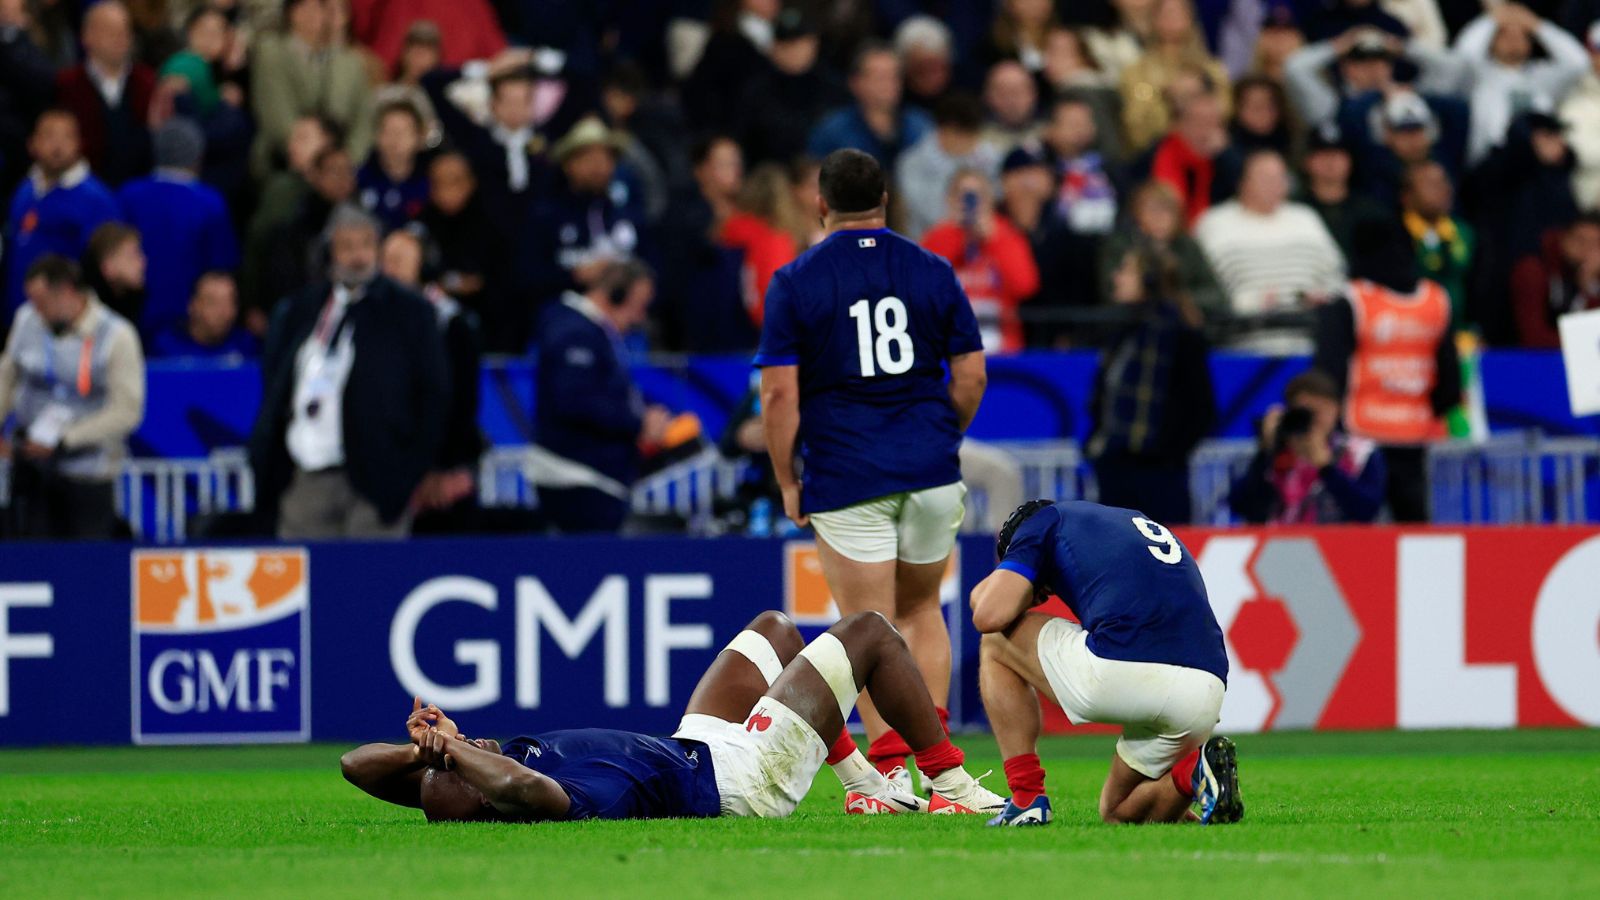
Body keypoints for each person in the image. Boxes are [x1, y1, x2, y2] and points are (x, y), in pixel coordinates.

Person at [756, 149, 987, 793]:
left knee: (867, 630)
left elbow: (778, 396)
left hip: (849, 474)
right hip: (931, 472)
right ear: (886, 199)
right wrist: (941, 437)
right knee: (921, 611)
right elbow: (971, 375)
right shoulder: (933, 270)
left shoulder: (796, 281)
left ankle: (890, 776)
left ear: (820, 204)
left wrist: (787, 479)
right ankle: (940, 771)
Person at [340, 609, 1003, 821]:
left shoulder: (488, 765)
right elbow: (518, 787)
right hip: (743, 779)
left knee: (774, 631)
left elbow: (352, 765)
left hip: (694, 743)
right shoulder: (547, 794)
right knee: (872, 634)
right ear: (478, 786)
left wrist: (425, 749)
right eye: (459, 766)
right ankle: (956, 788)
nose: (471, 744)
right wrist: (455, 753)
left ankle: (867, 791)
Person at [971, 499, 1242, 826]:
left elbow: (988, 613)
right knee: (1118, 812)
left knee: (995, 642)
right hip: (1206, 690)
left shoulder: (1040, 523)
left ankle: (1027, 797)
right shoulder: (1131, 520)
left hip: (1127, 666)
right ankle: (1195, 773)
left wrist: (1028, 589)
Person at [248, 204, 448, 540]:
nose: (358, 256)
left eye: (367, 245)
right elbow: (275, 384)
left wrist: (411, 470)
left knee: (371, 585)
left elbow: (434, 393)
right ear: (329, 252)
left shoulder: (409, 312)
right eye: (347, 246)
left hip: (380, 478)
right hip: (306, 475)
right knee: (308, 585)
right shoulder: (300, 310)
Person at [1313, 218, 1460, 522]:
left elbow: (1328, 372)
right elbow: (1450, 381)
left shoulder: (1352, 300)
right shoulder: (1435, 300)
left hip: (1359, 437)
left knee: (1359, 532)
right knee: (1414, 537)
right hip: (1414, 436)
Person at [0, 255, 144, 538]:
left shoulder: (117, 336)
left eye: (42, 302)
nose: (36, 311)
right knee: (32, 563)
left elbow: (127, 411)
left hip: (89, 475)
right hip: (32, 469)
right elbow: (6, 376)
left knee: (85, 568)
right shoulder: (27, 319)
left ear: (66, 291)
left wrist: (64, 440)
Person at [531, 259, 666, 534]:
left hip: (592, 477)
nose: (639, 318)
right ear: (615, 295)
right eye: (638, 306)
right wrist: (639, 421)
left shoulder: (590, 330)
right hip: (576, 476)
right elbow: (574, 399)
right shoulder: (573, 330)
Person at [1087, 247, 1216, 525]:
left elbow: (1202, 410)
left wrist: (1166, 455)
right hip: (1116, 469)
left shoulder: (1180, 335)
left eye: (1126, 270)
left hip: (1160, 477)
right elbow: (1103, 399)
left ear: (1149, 281)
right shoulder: (1120, 331)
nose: (1117, 277)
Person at [380, 225, 483, 533]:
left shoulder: (451, 323)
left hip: (441, 475)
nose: (389, 268)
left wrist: (445, 466)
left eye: (400, 259)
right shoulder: (369, 319)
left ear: (425, 266)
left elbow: (461, 402)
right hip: (388, 470)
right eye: (385, 259)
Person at [1195, 150, 1345, 351]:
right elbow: (1202, 286)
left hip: (1308, 340)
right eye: (1266, 178)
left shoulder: (1306, 218)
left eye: (1280, 177)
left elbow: (1338, 276)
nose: (1275, 185)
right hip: (1240, 342)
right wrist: (1243, 303)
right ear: (1242, 182)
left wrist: (1323, 297)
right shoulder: (1214, 223)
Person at [115, 117, 240, 339]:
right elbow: (221, 267)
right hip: (190, 324)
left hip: (134, 317)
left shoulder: (129, 195)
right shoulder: (209, 202)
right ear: (198, 156)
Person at [1227, 369, 1387, 524]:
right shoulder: (1273, 452)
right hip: (1277, 545)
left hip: (1340, 545)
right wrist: (1265, 452)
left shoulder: (1360, 453)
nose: (1314, 420)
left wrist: (1327, 468)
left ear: (1337, 409)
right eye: (1306, 412)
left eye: (1321, 410)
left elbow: (1367, 511)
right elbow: (1239, 505)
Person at [4, 110, 121, 319]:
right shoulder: (24, 190)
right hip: (19, 317)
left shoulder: (97, 200)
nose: (58, 146)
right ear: (32, 143)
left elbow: (105, 271)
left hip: (67, 322)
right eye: (49, 136)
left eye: (67, 137)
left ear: (79, 144)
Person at [921, 168, 1040, 354]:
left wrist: (993, 240)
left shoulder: (1007, 236)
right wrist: (957, 236)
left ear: (990, 200)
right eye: (963, 196)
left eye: (978, 196)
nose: (972, 204)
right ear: (950, 200)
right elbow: (925, 286)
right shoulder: (937, 237)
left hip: (1002, 345)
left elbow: (1025, 287)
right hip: (949, 345)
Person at [250, 0, 375, 178]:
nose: (313, 14)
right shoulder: (271, 52)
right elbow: (276, 114)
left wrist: (349, 158)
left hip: (344, 165)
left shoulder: (349, 60)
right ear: (291, 13)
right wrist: (309, 154)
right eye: (305, 7)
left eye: (319, 7)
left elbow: (364, 117)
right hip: (284, 158)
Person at [1453, 4, 1588, 165]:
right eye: (1504, 34)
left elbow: (1578, 63)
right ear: (1491, 41)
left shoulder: (1542, 76)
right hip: (1492, 162)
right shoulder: (1479, 74)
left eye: (1522, 35)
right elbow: (1463, 55)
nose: (1514, 40)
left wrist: (1537, 25)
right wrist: (1492, 19)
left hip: (1540, 162)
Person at [52, 1, 155, 187]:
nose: (120, 37)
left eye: (125, 30)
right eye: (110, 30)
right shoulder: (66, 85)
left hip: (137, 195)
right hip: (85, 197)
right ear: (86, 36)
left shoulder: (147, 83)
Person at [1099, 180, 1225, 318]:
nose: (1160, 218)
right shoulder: (1121, 245)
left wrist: (1180, 300)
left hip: (1182, 322)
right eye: (1152, 210)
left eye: (1167, 210)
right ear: (1136, 214)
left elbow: (1216, 294)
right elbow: (1113, 292)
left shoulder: (1187, 246)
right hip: (1134, 320)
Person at [1119, 0, 1231, 153]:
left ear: (1191, 18)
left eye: (1179, 12)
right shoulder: (1136, 72)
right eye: (1165, 13)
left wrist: (1195, 98)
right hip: (1158, 151)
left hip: (1207, 151)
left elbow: (1225, 111)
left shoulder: (1212, 70)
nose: (1172, 18)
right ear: (1153, 19)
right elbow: (1136, 123)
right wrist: (1168, 98)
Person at [807, 43, 933, 171]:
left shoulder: (921, 125)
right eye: (879, 77)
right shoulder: (832, 132)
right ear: (856, 83)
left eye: (894, 76)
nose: (889, 84)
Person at [895, 93, 999, 241]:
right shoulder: (912, 164)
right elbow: (928, 214)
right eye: (964, 135)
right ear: (945, 131)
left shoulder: (988, 154)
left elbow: (997, 197)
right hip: (928, 243)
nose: (971, 142)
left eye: (973, 135)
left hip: (981, 240)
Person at [1297, 122, 1390, 258]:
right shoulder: (1295, 212)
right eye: (1322, 154)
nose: (1330, 162)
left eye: (1337, 154)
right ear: (1307, 161)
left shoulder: (1372, 213)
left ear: (1350, 160)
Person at [1400, 160, 1474, 326]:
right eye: (1430, 184)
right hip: (1411, 332)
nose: (1443, 189)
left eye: (1444, 181)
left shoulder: (1465, 233)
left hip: (1461, 336)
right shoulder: (1395, 237)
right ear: (1406, 196)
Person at [1510, 212, 1600, 348]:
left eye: (1595, 244)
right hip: (1517, 360)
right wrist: (1582, 345)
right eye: (1580, 241)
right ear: (1564, 239)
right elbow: (1533, 338)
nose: (1586, 250)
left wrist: (1590, 289)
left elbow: (1594, 335)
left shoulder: (1591, 277)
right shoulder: (1533, 272)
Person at [357, 98, 430, 232]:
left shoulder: (433, 180)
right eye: (387, 131)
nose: (394, 139)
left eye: (402, 132)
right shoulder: (358, 179)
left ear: (420, 137)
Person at [151, 270, 258, 359]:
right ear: (192, 306)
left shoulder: (246, 346)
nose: (224, 312)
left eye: (230, 302)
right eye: (214, 302)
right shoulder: (166, 347)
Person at [82, 222, 146, 329]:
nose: (142, 262)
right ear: (108, 268)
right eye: (132, 256)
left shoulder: (139, 307)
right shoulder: (87, 316)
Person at [979, 60, 1044, 156]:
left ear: (1033, 94)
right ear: (988, 97)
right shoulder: (973, 140)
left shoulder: (1051, 135)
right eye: (1002, 93)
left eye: (1018, 91)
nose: (1011, 100)